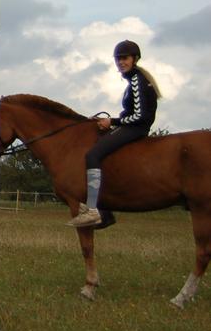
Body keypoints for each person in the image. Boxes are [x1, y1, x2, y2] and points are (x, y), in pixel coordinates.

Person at [69, 40, 162, 227]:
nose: (121, 62)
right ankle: (105, 210)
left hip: (135, 129)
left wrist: (112, 121)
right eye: (118, 59)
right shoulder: (134, 80)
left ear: (134, 59)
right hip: (131, 127)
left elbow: (139, 116)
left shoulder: (137, 81)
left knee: (93, 154)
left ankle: (93, 210)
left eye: (124, 58)